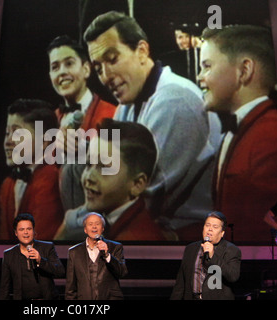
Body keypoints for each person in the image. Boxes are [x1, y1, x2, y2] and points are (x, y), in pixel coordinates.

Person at [83, 11, 222, 241]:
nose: (106, 76)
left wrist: (72, 222)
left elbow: (142, 198)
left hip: (189, 238)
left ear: (142, 51)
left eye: (113, 59)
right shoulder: (128, 103)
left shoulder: (174, 100)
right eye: (98, 68)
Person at [198, 25, 277, 242]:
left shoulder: (271, 138)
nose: (199, 77)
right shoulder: (246, 128)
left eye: (207, 66)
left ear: (244, 71)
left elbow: (264, 235)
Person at [55, 118, 165, 241]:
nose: (89, 177)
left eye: (104, 168)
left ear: (137, 184)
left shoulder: (136, 239)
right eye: (88, 165)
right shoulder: (104, 213)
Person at [47, 35, 116, 211]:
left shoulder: (112, 114)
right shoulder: (50, 120)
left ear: (86, 69)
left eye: (69, 63)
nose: (62, 72)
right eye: (55, 67)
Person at [0, 99, 64, 240]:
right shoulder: (8, 185)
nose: (7, 142)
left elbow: (41, 242)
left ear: (45, 141)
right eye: (6, 133)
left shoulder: (51, 180)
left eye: (17, 134)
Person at [170, 211, 241, 300]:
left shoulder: (231, 250)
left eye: (215, 227)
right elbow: (180, 283)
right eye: (207, 225)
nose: (210, 229)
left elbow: (232, 276)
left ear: (222, 233)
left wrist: (213, 256)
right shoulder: (191, 249)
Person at [0, 213, 65, 300]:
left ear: (33, 231)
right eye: (21, 229)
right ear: (16, 233)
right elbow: (4, 287)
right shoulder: (9, 255)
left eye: (29, 229)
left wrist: (41, 261)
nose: (26, 232)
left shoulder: (47, 248)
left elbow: (60, 272)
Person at [65, 212, 128, 300]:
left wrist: (107, 255)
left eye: (97, 224)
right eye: (90, 224)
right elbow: (70, 286)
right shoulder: (74, 252)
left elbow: (122, 272)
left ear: (102, 228)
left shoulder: (115, 247)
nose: (94, 227)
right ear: (85, 229)